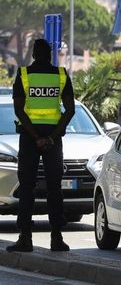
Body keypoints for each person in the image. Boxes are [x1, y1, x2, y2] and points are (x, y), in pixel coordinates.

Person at [7, 39, 75, 253]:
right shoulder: (61, 75)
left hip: (29, 138)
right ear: (51, 55)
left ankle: (25, 238)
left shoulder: (24, 75)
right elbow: (70, 110)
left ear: (34, 54)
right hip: (53, 140)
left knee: (27, 187)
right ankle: (57, 238)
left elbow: (19, 110)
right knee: (55, 188)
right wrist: (51, 137)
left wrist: (36, 136)